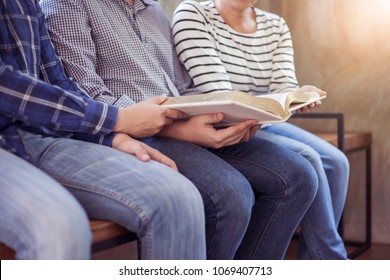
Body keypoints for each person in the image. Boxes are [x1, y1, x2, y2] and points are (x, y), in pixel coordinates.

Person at [42, 0, 319, 259]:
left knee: (299, 176)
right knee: (231, 194)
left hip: (182, 122)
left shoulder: (154, 9)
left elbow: (183, 86)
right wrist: (177, 127)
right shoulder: (69, 4)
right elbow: (84, 96)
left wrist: (226, 116)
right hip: (131, 132)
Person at [0, 0, 207, 260]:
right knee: (59, 226)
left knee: (179, 198)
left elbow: (56, 79)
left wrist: (111, 136)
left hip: (43, 134)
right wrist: (116, 119)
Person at [171, 0, 350, 259]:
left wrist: (297, 96)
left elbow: (283, 86)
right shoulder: (193, 13)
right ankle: (331, 259)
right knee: (308, 158)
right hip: (224, 122)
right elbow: (221, 96)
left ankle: (318, 262)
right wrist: (275, 102)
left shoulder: (275, 25)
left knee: (336, 162)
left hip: (263, 121)